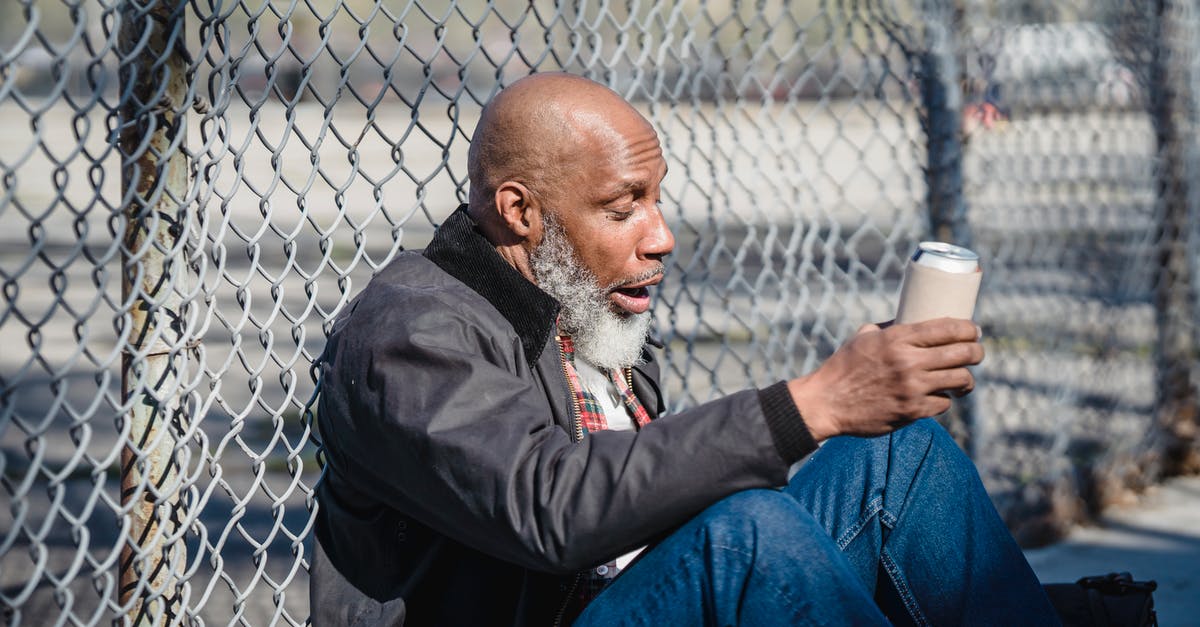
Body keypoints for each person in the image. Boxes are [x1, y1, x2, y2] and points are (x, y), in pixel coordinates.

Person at [309, 73, 1060, 626]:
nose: (661, 235)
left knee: (899, 454)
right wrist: (814, 404)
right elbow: (548, 505)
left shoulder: (585, 301)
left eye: (656, 197)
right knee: (746, 537)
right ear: (519, 210)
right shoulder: (407, 334)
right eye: (623, 207)